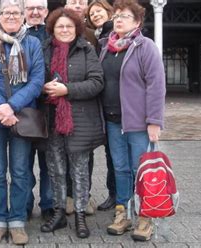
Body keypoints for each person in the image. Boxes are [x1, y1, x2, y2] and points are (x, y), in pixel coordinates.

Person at [0, 0, 45, 245]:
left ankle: (16, 221)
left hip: (22, 117)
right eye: (6, 12)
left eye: (16, 12)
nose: (11, 16)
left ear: (23, 16)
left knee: (20, 171)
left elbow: (36, 81)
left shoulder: (32, 43)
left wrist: (12, 106)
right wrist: (1, 107)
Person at [98, 0, 166, 241]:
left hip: (138, 123)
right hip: (113, 120)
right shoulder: (107, 47)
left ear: (137, 22)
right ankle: (122, 214)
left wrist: (155, 121)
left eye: (125, 16)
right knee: (121, 168)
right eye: (116, 15)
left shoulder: (145, 47)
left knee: (142, 170)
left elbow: (156, 86)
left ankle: (145, 218)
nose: (118, 19)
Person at [39, 7, 105, 239]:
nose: (65, 30)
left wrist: (67, 89)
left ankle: (79, 214)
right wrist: (43, 88)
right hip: (52, 119)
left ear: (76, 28)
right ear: (52, 29)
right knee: (56, 168)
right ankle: (58, 212)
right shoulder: (44, 49)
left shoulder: (86, 50)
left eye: (69, 26)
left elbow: (97, 82)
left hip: (80, 121)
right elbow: (35, 78)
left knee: (79, 170)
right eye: (60, 26)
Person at [63, 0, 99, 216]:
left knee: (85, 152)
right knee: (61, 153)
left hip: (85, 103)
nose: (77, 4)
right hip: (60, 104)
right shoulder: (56, 29)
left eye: (81, 1)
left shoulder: (92, 35)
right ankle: (67, 195)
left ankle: (84, 194)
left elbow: (97, 73)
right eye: (72, 1)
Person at [23, 0, 54, 221]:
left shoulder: (54, 36)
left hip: (49, 108)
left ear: (46, 12)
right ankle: (24, 204)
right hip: (23, 108)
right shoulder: (16, 35)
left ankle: (49, 204)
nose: (34, 12)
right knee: (22, 162)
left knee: (48, 161)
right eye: (30, 8)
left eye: (39, 8)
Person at [87, 0, 117, 211]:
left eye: (99, 11)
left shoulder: (115, 35)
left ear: (109, 12)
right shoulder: (99, 36)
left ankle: (119, 197)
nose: (96, 15)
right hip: (103, 104)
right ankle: (115, 194)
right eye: (92, 13)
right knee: (111, 153)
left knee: (116, 154)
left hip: (115, 103)